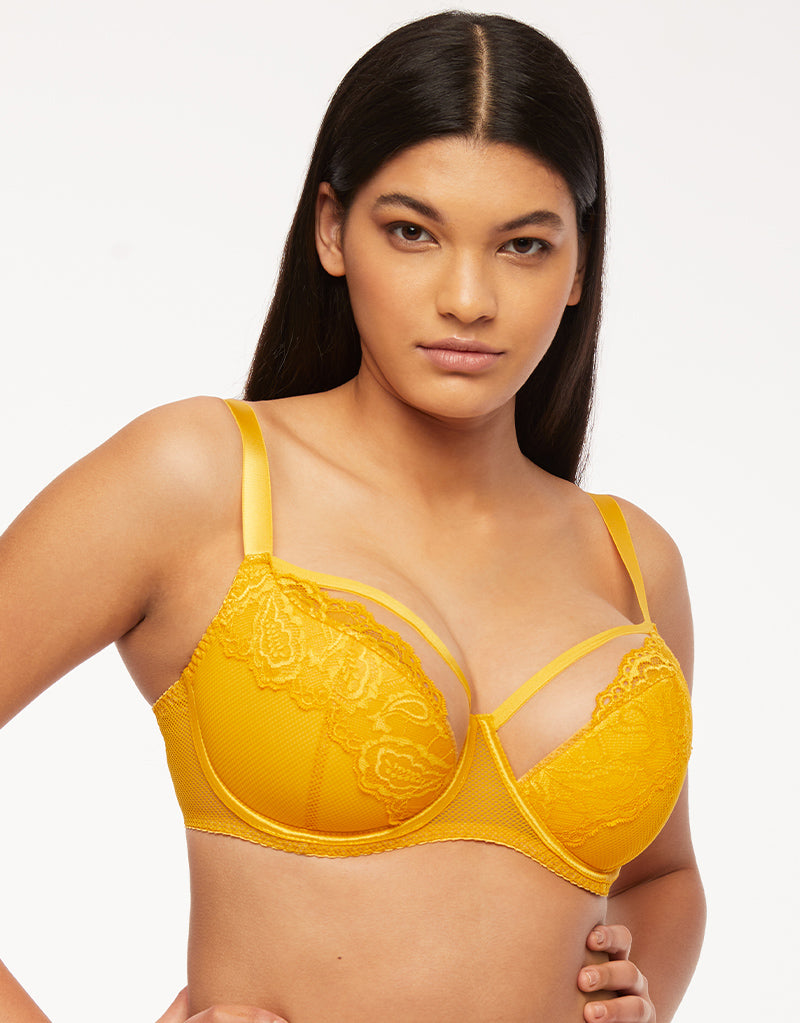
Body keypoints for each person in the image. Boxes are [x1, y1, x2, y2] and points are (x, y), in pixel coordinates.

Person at [0, 11, 705, 1023]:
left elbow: (663, 877)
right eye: (412, 232)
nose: (468, 298)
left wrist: (645, 995)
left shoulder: (631, 561)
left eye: (522, 245)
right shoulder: (200, 481)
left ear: (579, 268)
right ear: (332, 230)